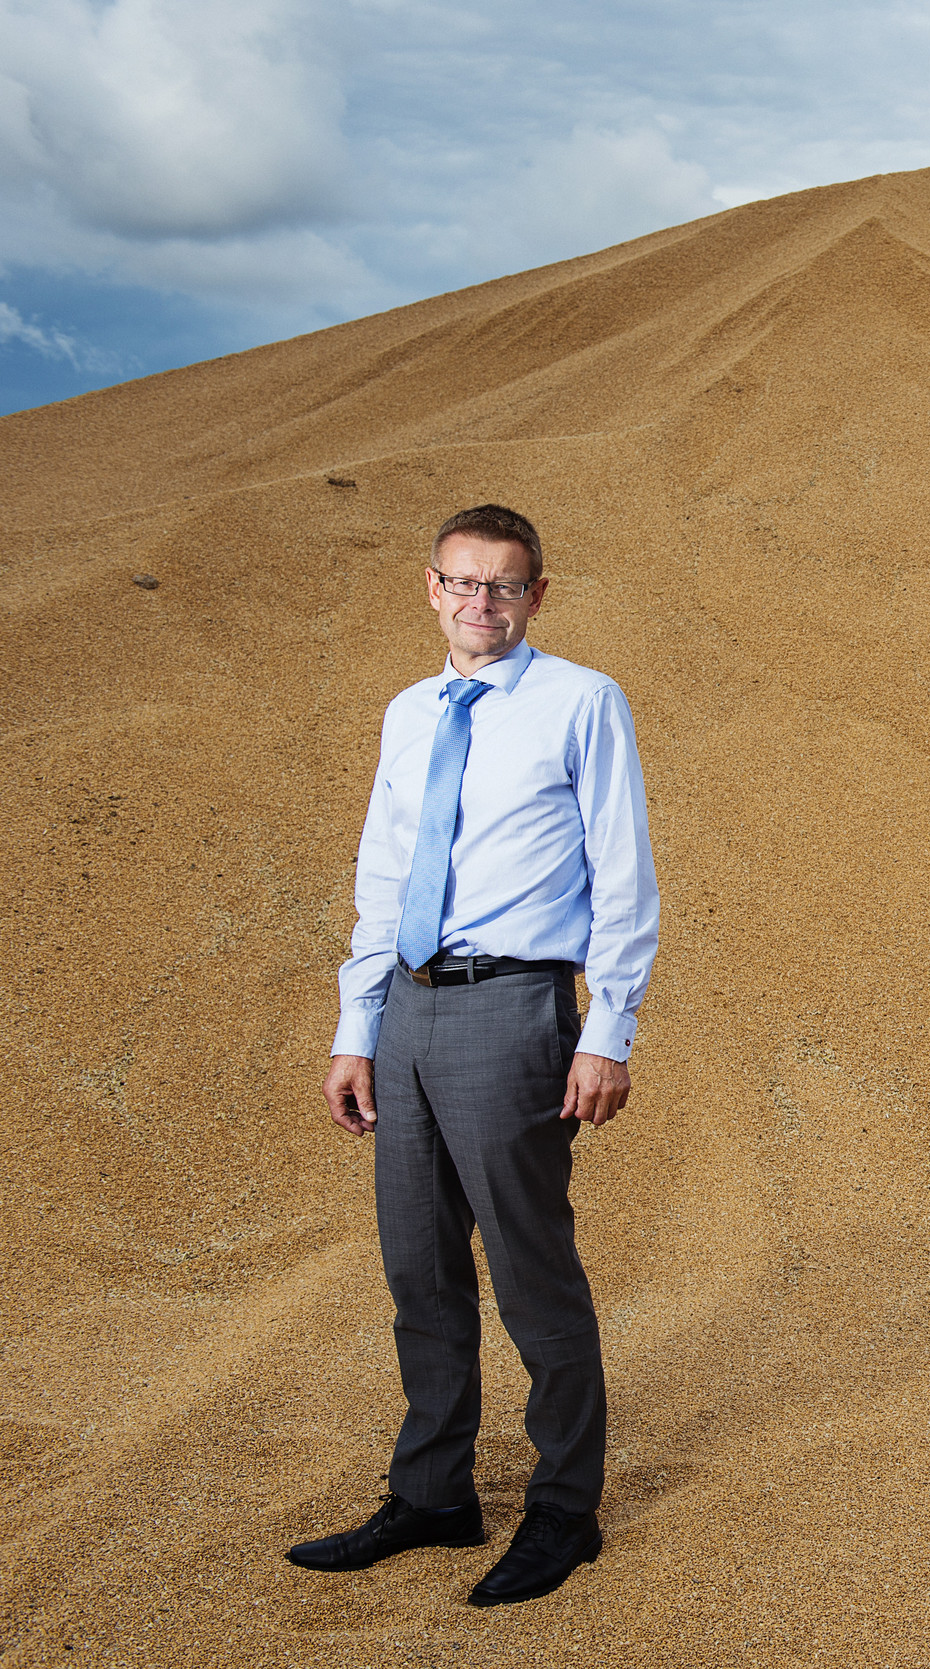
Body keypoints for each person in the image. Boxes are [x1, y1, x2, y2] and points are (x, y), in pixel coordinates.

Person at [287, 504, 659, 1607]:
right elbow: (384, 875)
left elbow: (623, 875)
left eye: (503, 587)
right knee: (419, 1267)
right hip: (407, 1007)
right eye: (461, 583)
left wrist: (608, 1027)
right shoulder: (410, 711)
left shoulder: (582, 701)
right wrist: (358, 1029)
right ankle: (436, 1493)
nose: (479, 604)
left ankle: (563, 1509)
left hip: (515, 1009)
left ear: (536, 594)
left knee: (532, 1270)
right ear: (431, 587)